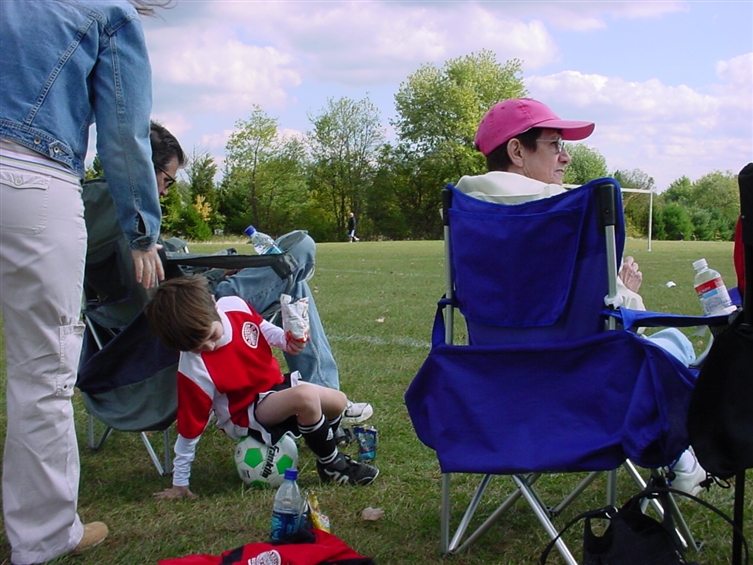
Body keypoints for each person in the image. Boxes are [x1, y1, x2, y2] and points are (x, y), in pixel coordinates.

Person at [457, 97, 706, 495]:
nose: (566, 156)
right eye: (555, 144)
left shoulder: (464, 213)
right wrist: (627, 294)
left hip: (496, 401)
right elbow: (620, 325)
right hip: (586, 401)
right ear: (517, 151)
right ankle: (683, 461)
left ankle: (684, 463)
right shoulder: (570, 211)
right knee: (674, 342)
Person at [0, 1, 169, 562]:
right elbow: (124, 132)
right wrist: (142, 231)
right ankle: (44, 536)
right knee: (42, 372)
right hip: (33, 178)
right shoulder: (107, 11)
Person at [88, 121, 373, 423]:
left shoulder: (98, 210)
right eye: (167, 180)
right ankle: (327, 395)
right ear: (144, 167)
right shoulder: (132, 217)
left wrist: (214, 270)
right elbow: (162, 291)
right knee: (299, 251)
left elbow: (157, 279)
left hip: (157, 316)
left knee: (290, 278)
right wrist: (213, 276)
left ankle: (323, 394)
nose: (164, 191)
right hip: (191, 313)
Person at [143, 275, 379, 497]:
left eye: (211, 336)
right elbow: (190, 428)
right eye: (197, 348)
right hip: (244, 413)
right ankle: (332, 466)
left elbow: (261, 327)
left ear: (214, 305)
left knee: (338, 401)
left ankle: (326, 439)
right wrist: (180, 482)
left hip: (273, 387)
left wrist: (285, 340)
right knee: (305, 396)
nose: (209, 348)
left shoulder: (234, 305)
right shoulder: (194, 368)